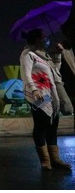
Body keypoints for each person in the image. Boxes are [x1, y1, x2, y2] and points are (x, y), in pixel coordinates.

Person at [20, 28, 71, 170]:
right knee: (41, 126)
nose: (46, 39)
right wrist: (34, 89)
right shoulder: (27, 54)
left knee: (52, 127)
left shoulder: (44, 56)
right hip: (39, 95)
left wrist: (58, 56)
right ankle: (45, 161)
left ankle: (55, 159)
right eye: (44, 37)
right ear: (36, 39)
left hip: (51, 94)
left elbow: (55, 71)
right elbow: (25, 73)